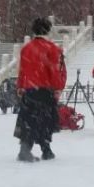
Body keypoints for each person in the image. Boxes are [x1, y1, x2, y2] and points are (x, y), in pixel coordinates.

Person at [14, 17, 67, 162]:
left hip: (29, 89)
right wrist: (57, 88)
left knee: (28, 121)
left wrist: (20, 86)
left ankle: (29, 149)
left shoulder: (26, 48)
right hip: (45, 90)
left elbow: (22, 70)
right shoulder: (52, 48)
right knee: (45, 121)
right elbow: (54, 71)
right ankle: (43, 150)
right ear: (48, 30)